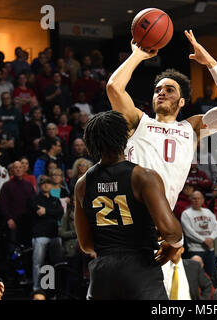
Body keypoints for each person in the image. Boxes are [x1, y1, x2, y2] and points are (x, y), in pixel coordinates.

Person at [107, 30, 217, 211]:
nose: (162, 92)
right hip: (128, 210)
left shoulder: (191, 128)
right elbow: (114, 87)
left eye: (170, 90)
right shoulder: (138, 121)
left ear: (182, 102)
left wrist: (211, 64)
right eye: (158, 90)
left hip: (160, 218)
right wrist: (137, 56)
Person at [74, 110, 183, 300]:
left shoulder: (82, 184)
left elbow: (86, 245)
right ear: (125, 136)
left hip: (102, 274)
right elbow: (170, 232)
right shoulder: (143, 176)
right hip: (140, 270)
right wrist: (174, 245)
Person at [29, 175, 64, 291]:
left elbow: (60, 212)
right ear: (39, 185)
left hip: (54, 235)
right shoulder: (34, 199)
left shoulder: (55, 200)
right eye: (43, 183)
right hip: (40, 235)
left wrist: (46, 211)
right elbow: (38, 212)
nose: (46, 184)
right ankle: (37, 288)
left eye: (48, 182)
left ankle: (54, 289)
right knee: (38, 264)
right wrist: (51, 212)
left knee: (57, 264)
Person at [180, 190, 217, 277]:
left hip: (209, 249)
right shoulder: (186, 213)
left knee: (211, 274)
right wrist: (204, 240)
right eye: (194, 198)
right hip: (195, 250)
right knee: (195, 275)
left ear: (202, 200)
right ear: (190, 199)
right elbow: (188, 231)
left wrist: (211, 238)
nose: (196, 200)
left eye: (199, 198)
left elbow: (216, 227)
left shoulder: (208, 212)